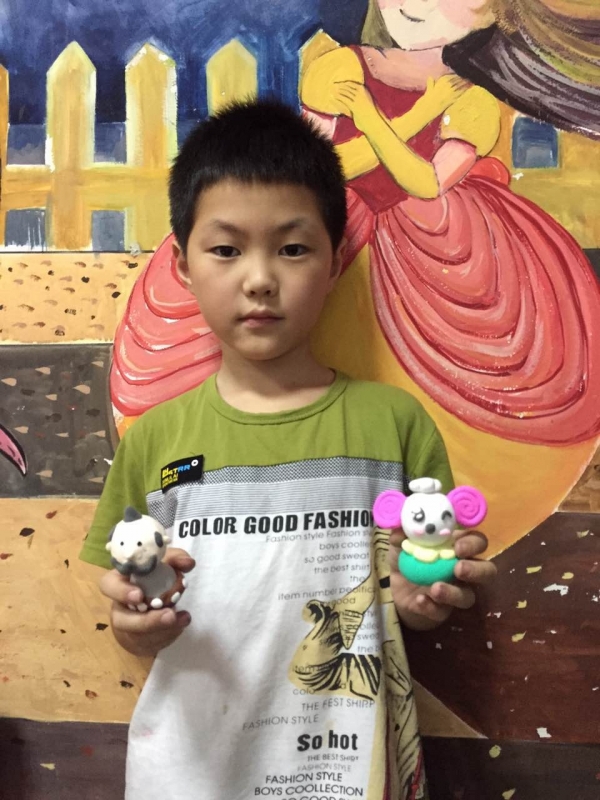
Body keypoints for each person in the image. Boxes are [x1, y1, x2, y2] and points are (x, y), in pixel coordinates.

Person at [80, 99, 496, 800]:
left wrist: (421, 599)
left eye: (293, 248)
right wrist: (137, 626)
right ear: (182, 265)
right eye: (226, 249)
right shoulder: (155, 439)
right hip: (191, 773)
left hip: (348, 774)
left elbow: (418, 592)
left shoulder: (394, 424)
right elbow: (129, 610)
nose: (259, 279)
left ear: (334, 262)